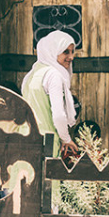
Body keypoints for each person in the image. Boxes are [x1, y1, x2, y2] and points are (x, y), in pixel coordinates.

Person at [21, 29, 81, 163]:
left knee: (23, 179)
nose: (71, 57)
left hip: (24, 136)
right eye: (66, 51)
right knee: (46, 181)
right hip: (44, 140)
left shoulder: (31, 74)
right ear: (53, 51)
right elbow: (59, 115)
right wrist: (66, 139)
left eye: (72, 52)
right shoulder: (53, 75)